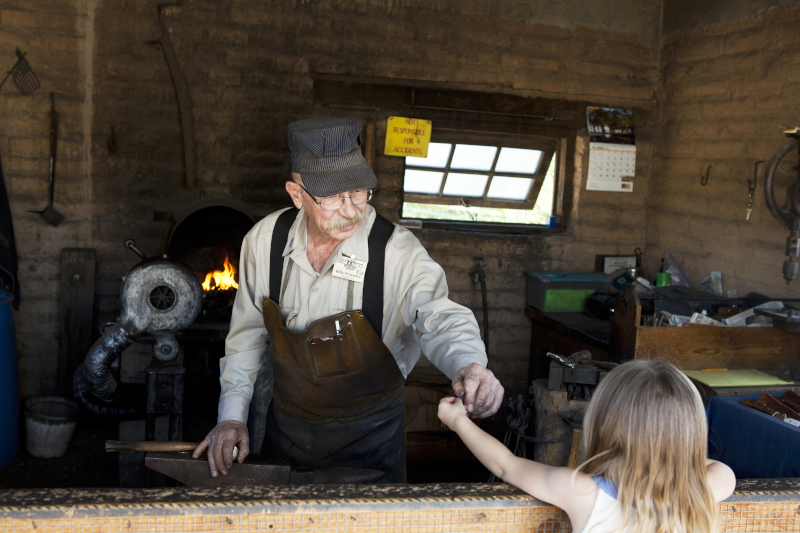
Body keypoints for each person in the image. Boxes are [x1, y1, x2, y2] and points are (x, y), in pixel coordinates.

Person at [193, 117, 504, 482]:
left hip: (371, 443)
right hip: (288, 434)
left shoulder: (396, 252)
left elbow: (439, 315)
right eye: (334, 198)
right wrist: (231, 417)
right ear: (297, 195)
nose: (352, 209)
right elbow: (245, 338)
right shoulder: (264, 242)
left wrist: (469, 365)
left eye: (359, 193)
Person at [438, 360, 736, 533]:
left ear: (603, 424)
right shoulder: (704, 489)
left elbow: (506, 463)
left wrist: (458, 421)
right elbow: (712, 468)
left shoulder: (583, 492)